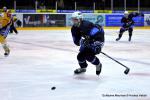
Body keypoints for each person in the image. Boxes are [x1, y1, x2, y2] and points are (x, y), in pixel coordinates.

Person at [71, 11, 105, 75]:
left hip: (97, 40)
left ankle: (98, 65)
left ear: (80, 19)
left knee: (89, 56)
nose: (73, 21)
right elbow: (76, 41)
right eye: (73, 19)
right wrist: (82, 41)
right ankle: (83, 68)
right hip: (87, 41)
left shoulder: (87, 25)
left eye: (75, 19)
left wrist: (97, 44)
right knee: (80, 57)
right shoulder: (74, 29)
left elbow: (100, 31)